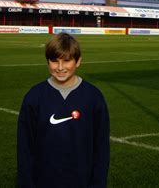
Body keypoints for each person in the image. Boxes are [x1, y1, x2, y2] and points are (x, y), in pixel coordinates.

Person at [17, 32, 110, 188]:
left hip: (82, 181)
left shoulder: (93, 97)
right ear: (47, 61)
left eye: (67, 61)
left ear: (78, 61)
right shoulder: (34, 97)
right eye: (54, 61)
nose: (60, 67)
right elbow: (25, 149)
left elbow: (101, 149)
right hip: (43, 181)